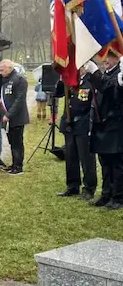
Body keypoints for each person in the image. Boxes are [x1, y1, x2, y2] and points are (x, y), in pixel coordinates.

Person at [86, 53, 123, 209]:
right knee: (105, 163)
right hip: (102, 125)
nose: (106, 60)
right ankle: (106, 194)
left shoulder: (118, 75)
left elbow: (110, 89)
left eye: (110, 57)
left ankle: (118, 197)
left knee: (117, 165)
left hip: (115, 126)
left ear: (117, 59)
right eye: (106, 57)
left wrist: (95, 73)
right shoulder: (108, 74)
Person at [55, 68, 97, 200]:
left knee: (86, 158)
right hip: (69, 123)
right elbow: (58, 93)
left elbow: (88, 104)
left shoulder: (90, 81)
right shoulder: (69, 80)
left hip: (83, 124)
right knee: (70, 156)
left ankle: (89, 188)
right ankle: (73, 185)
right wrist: (62, 79)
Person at [0, 60, 30, 175]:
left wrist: (9, 114)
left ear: (9, 68)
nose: (0, 72)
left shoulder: (19, 79)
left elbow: (19, 100)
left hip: (17, 117)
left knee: (17, 142)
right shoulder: (5, 81)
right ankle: (14, 163)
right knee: (12, 142)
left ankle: (18, 166)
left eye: (2, 70)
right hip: (8, 117)